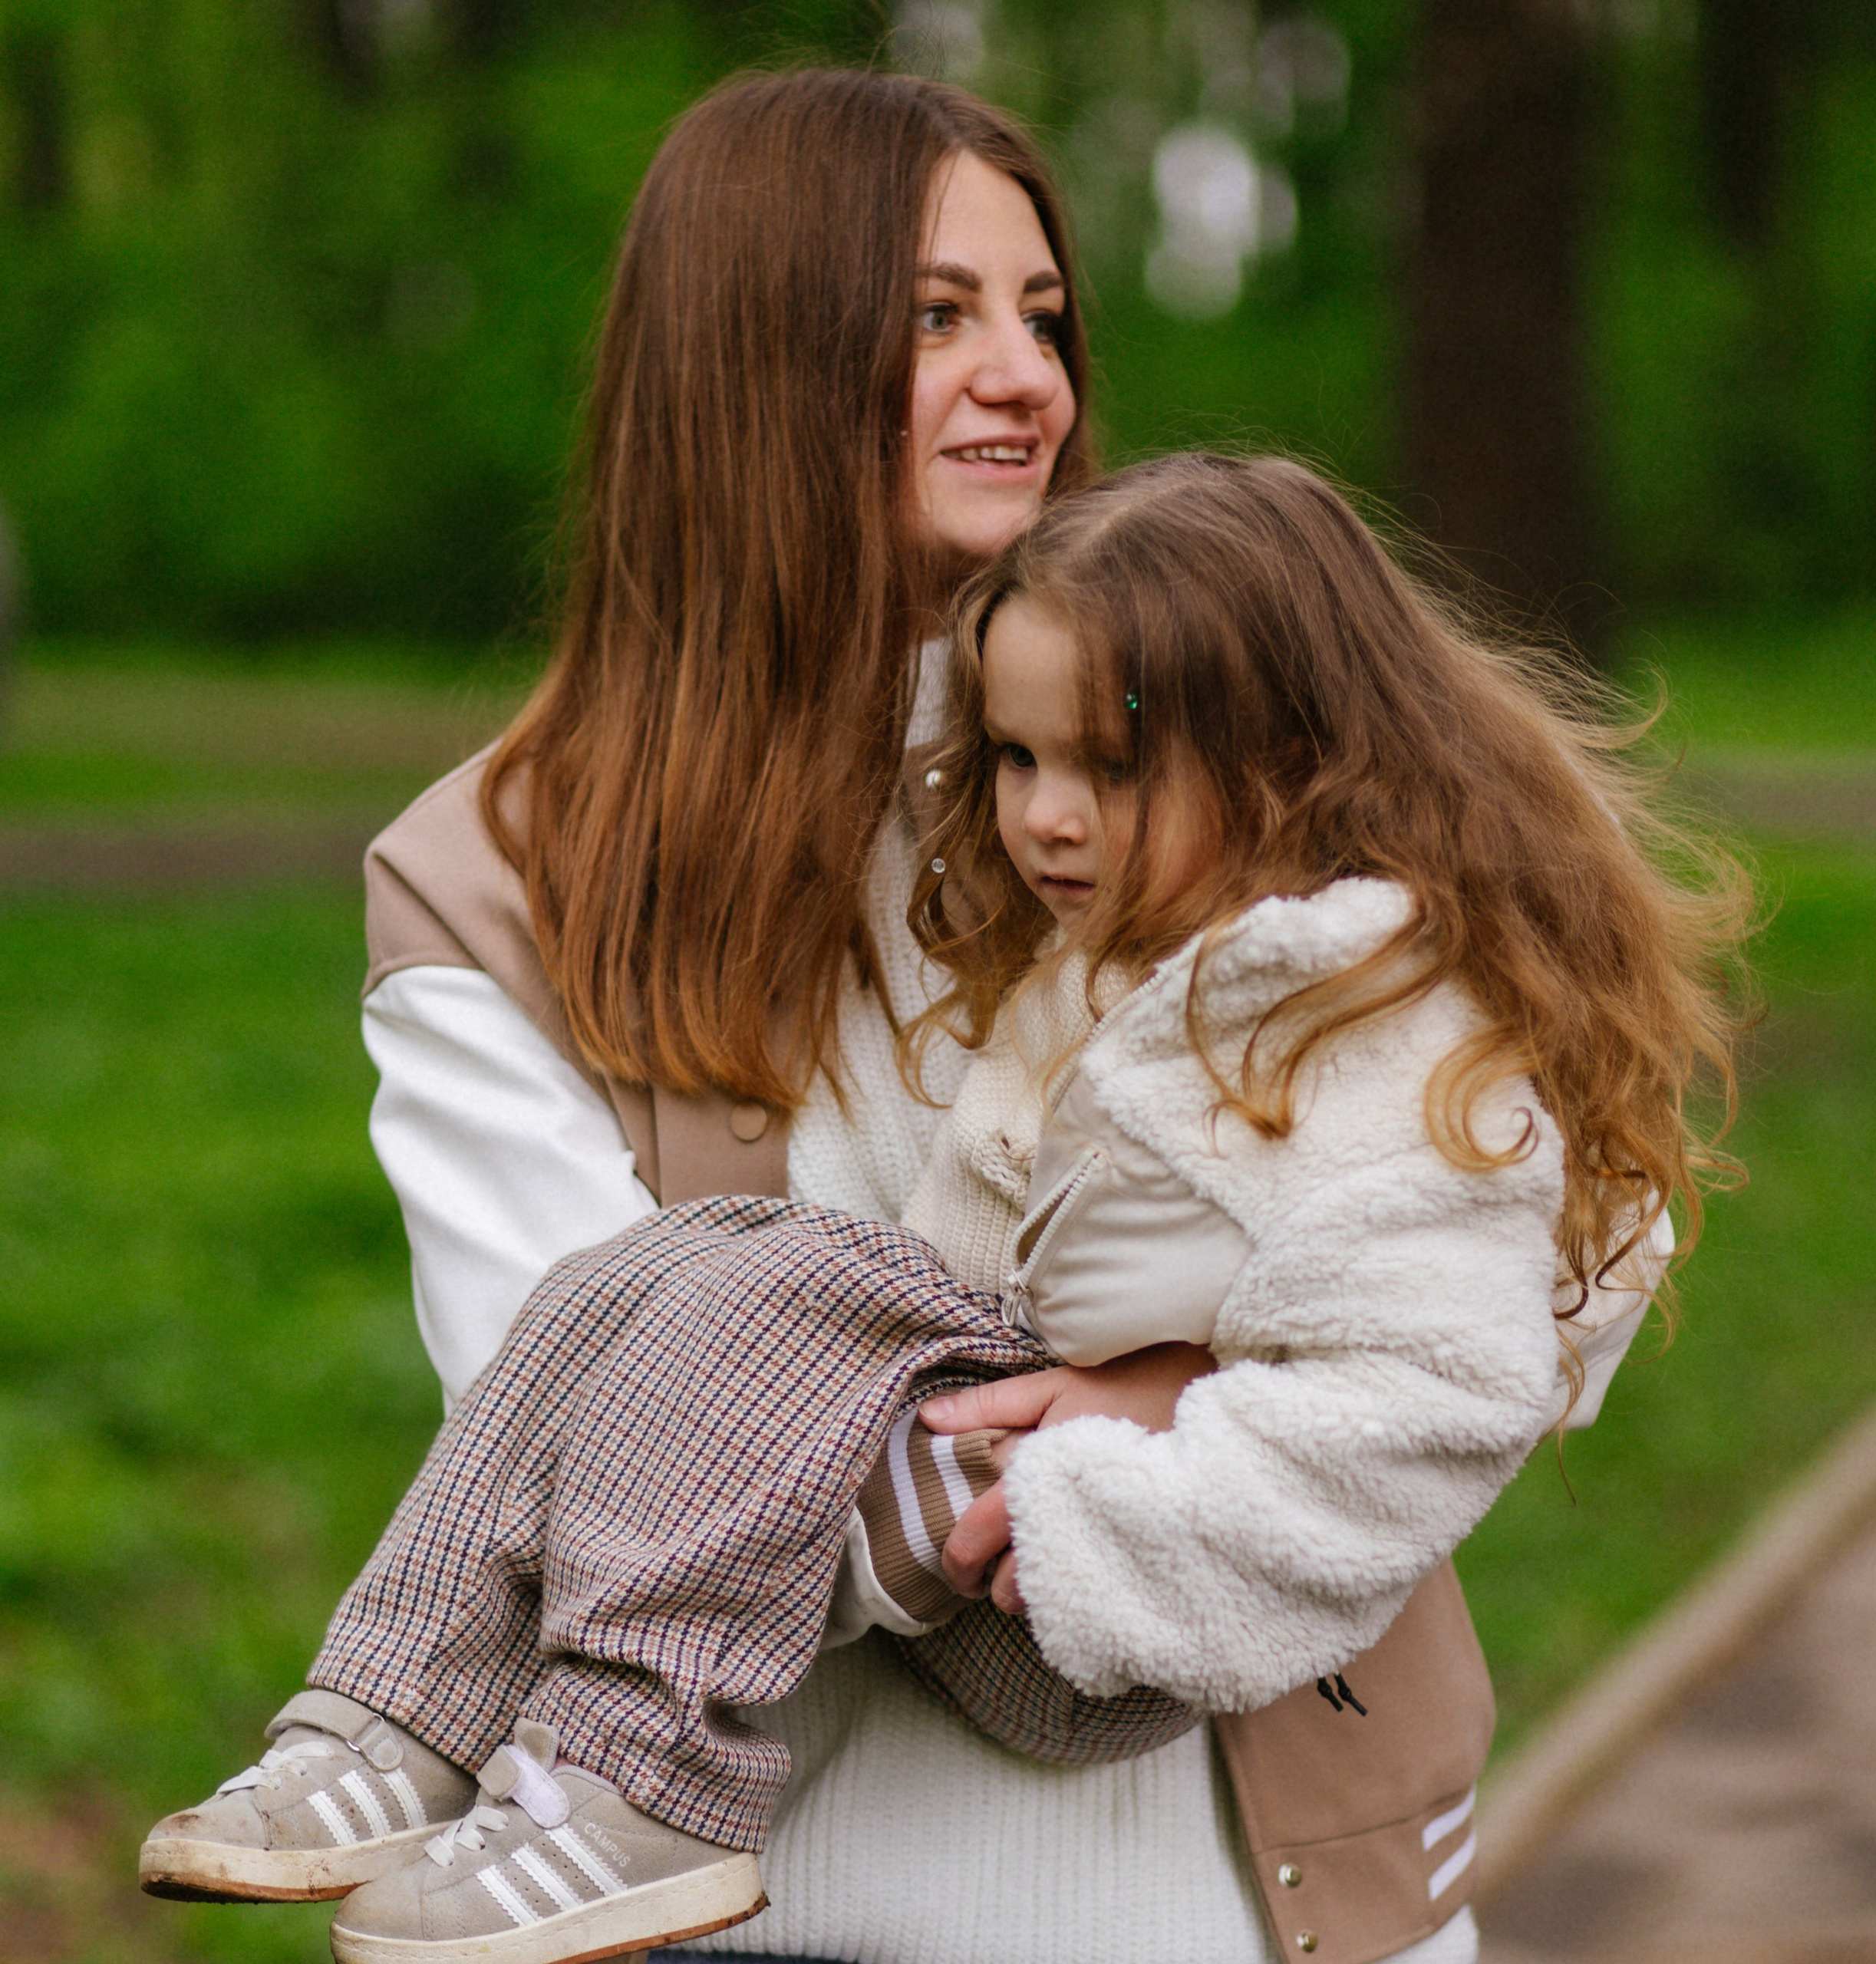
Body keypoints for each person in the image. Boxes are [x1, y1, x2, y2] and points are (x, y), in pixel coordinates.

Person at [138, 447, 1739, 1964]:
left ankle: (628, 1782)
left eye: (1105, 767)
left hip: (1097, 1596)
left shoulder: (1379, 1027)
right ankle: (398, 1714)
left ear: (1289, 754)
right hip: (984, 1504)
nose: (1044, 814)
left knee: (758, 1289)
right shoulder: (1123, 966)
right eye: (1018, 758)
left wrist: (1090, 1499)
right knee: (687, 1270)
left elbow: (1428, 1388)